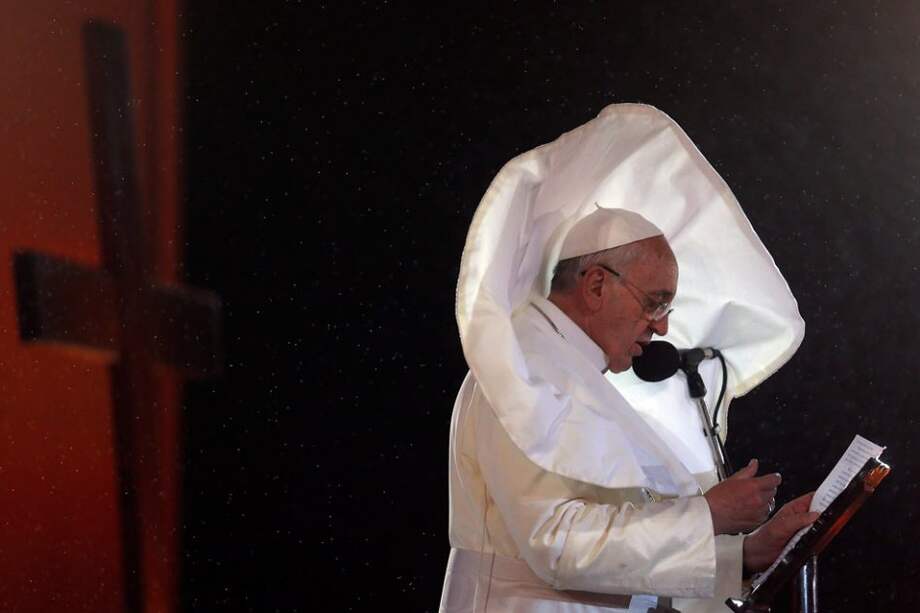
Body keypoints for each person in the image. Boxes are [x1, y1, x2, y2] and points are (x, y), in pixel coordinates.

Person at [439, 208, 817, 613]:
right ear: (597, 285)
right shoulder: (526, 369)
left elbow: (616, 540)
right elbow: (557, 543)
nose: (662, 329)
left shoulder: (572, 371)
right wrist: (707, 515)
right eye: (655, 304)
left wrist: (745, 555)